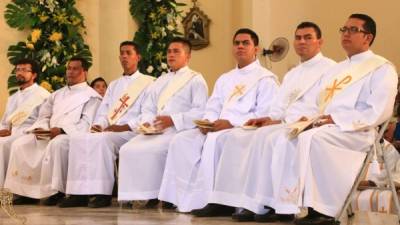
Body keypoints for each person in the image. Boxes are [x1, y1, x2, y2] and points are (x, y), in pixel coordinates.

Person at [194, 22, 336, 221]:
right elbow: (279, 106)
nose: (302, 41)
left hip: (307, 124)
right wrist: (271, 119)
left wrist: (298, 121)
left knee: (275, 140)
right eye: (298, 37)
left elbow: (325, 105)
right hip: (286, 123)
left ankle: (282, 206)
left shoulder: (331, 69)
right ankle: (256, 202)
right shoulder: (293, 73)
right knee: (260, 136)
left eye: (308, 37)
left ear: (320, 42)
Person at [158, 28, 279, 213]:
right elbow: (213, 106)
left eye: (245, 43)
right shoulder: (225, 78)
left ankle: (224, 202)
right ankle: (185, 198)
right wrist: (208, 122)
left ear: (256, 48)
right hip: (217, 127)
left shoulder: (266, 79)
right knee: (182, 140)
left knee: (224, 139)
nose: (240, 46)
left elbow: (264, 113)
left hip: (244, 129)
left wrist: (232, 123)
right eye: (236, 43)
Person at [293, 14, 397, 225]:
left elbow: (379, 111)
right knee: (297, 135)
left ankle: (327, 210)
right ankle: (304, 205)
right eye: (344, 29)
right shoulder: (336, 70)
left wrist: (336, 119)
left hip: (359, 131)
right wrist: (310, 119)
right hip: (332, 127)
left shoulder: (382, 68)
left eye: (352, 30)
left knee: (315, 139)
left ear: (367, 37)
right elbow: (319, 104)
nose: (345, 34)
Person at [60, 41, 155, 208]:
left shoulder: (149, 83)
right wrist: (98, 125)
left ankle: (102, 193)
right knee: (78, 139)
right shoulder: (115, 85)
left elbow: (148, 114)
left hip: (133, 131)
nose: (124, 56)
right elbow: (104, 111)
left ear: (138, 57)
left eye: (128, 53)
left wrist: (124, 127)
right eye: (122, 53)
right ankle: (78, 193)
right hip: (111, 130)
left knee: (103, 141)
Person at [117, 37, 208, 207]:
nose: (171, 55)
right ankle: (138, 194)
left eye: (176, 51)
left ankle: (159, 195)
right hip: (156, 129)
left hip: (178, 129)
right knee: (127, 149)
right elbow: (148, 108)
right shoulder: (160, 80)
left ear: (187, 56)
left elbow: (200, 110)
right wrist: (147, 123)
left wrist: (172, 120)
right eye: (169, 51)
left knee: (153, 150)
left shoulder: (195, 79)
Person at [4, 57, 102, 205]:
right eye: (68, 68)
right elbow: (44, 115)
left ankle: (58, 191)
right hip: (49, 133)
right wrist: (42, 128)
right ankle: (25, 192)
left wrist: (62, 130)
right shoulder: (57, 94)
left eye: (75, 68)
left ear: (85, 72)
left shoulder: (92, 96)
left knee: (57, 144)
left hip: (70, 136)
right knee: (20, 144)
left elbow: (87, 123)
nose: (70, 72)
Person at [0, 58, 50, 187]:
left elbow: (44, 119)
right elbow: (5, 121)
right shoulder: (13, 98)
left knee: (2, 144)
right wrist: (3, 130)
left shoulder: (43, 95)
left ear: (34, 75)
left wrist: (31, 130)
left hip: (28, 132)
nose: (19, 73)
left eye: (24, 70)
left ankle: (9, 189)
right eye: (17, 70)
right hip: (12, 132)